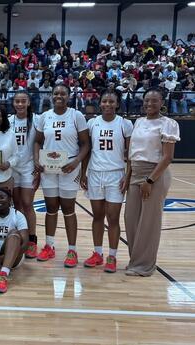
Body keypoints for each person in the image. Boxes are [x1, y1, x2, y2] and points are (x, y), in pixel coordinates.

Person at [124, 87, 180, 277]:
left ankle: (144, 265)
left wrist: (150, 180)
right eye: (147, 100)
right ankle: (135, 260)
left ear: (162, 103)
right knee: (131, 219)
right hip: (135, 173)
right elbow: (132, 153)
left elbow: (167, 157)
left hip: (154, 174)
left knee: (149, 222)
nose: (149, 104)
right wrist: (128, 175)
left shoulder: (168, 124)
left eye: (154, 101)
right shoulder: (138, 121)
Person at [34, 84, 90, 267]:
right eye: (56, 93)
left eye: (63, 93)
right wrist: (37, 160)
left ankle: (72, 249)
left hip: (69, 167)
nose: (59, 96)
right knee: (51, 207)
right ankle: (49, 246)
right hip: (49, 167)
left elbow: (85, 144)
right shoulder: (45, 117)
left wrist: (76, 163)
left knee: (68, 208)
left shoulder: (76, 116)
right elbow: (37, 141)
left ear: (69, 95)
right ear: (51, 95)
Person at [80, 90, 133, 273]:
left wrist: (127, 176)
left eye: (112, 102)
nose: (108, 104)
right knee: (97, 216)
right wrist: (83, 173)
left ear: (117, 104)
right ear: (100, 103)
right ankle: (98, 253)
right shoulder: (92, 123)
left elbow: (131, 154)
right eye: (105, 101)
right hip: (95, 174)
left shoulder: (125, 124)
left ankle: (112, 256)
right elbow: (87, 150)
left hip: (115, 174)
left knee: (113, 218)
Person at [9, 91, 40, 259]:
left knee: (28, 203)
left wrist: (39, 163)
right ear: (14, 103)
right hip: (13, 167)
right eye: (17, 101)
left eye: (23, 101)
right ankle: (21, 238)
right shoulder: (9, 121)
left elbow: (41, 142)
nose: (20, 104)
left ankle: (32, 240)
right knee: (17, 204)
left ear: (28, 103)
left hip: (29, 166)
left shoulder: (37, 119)